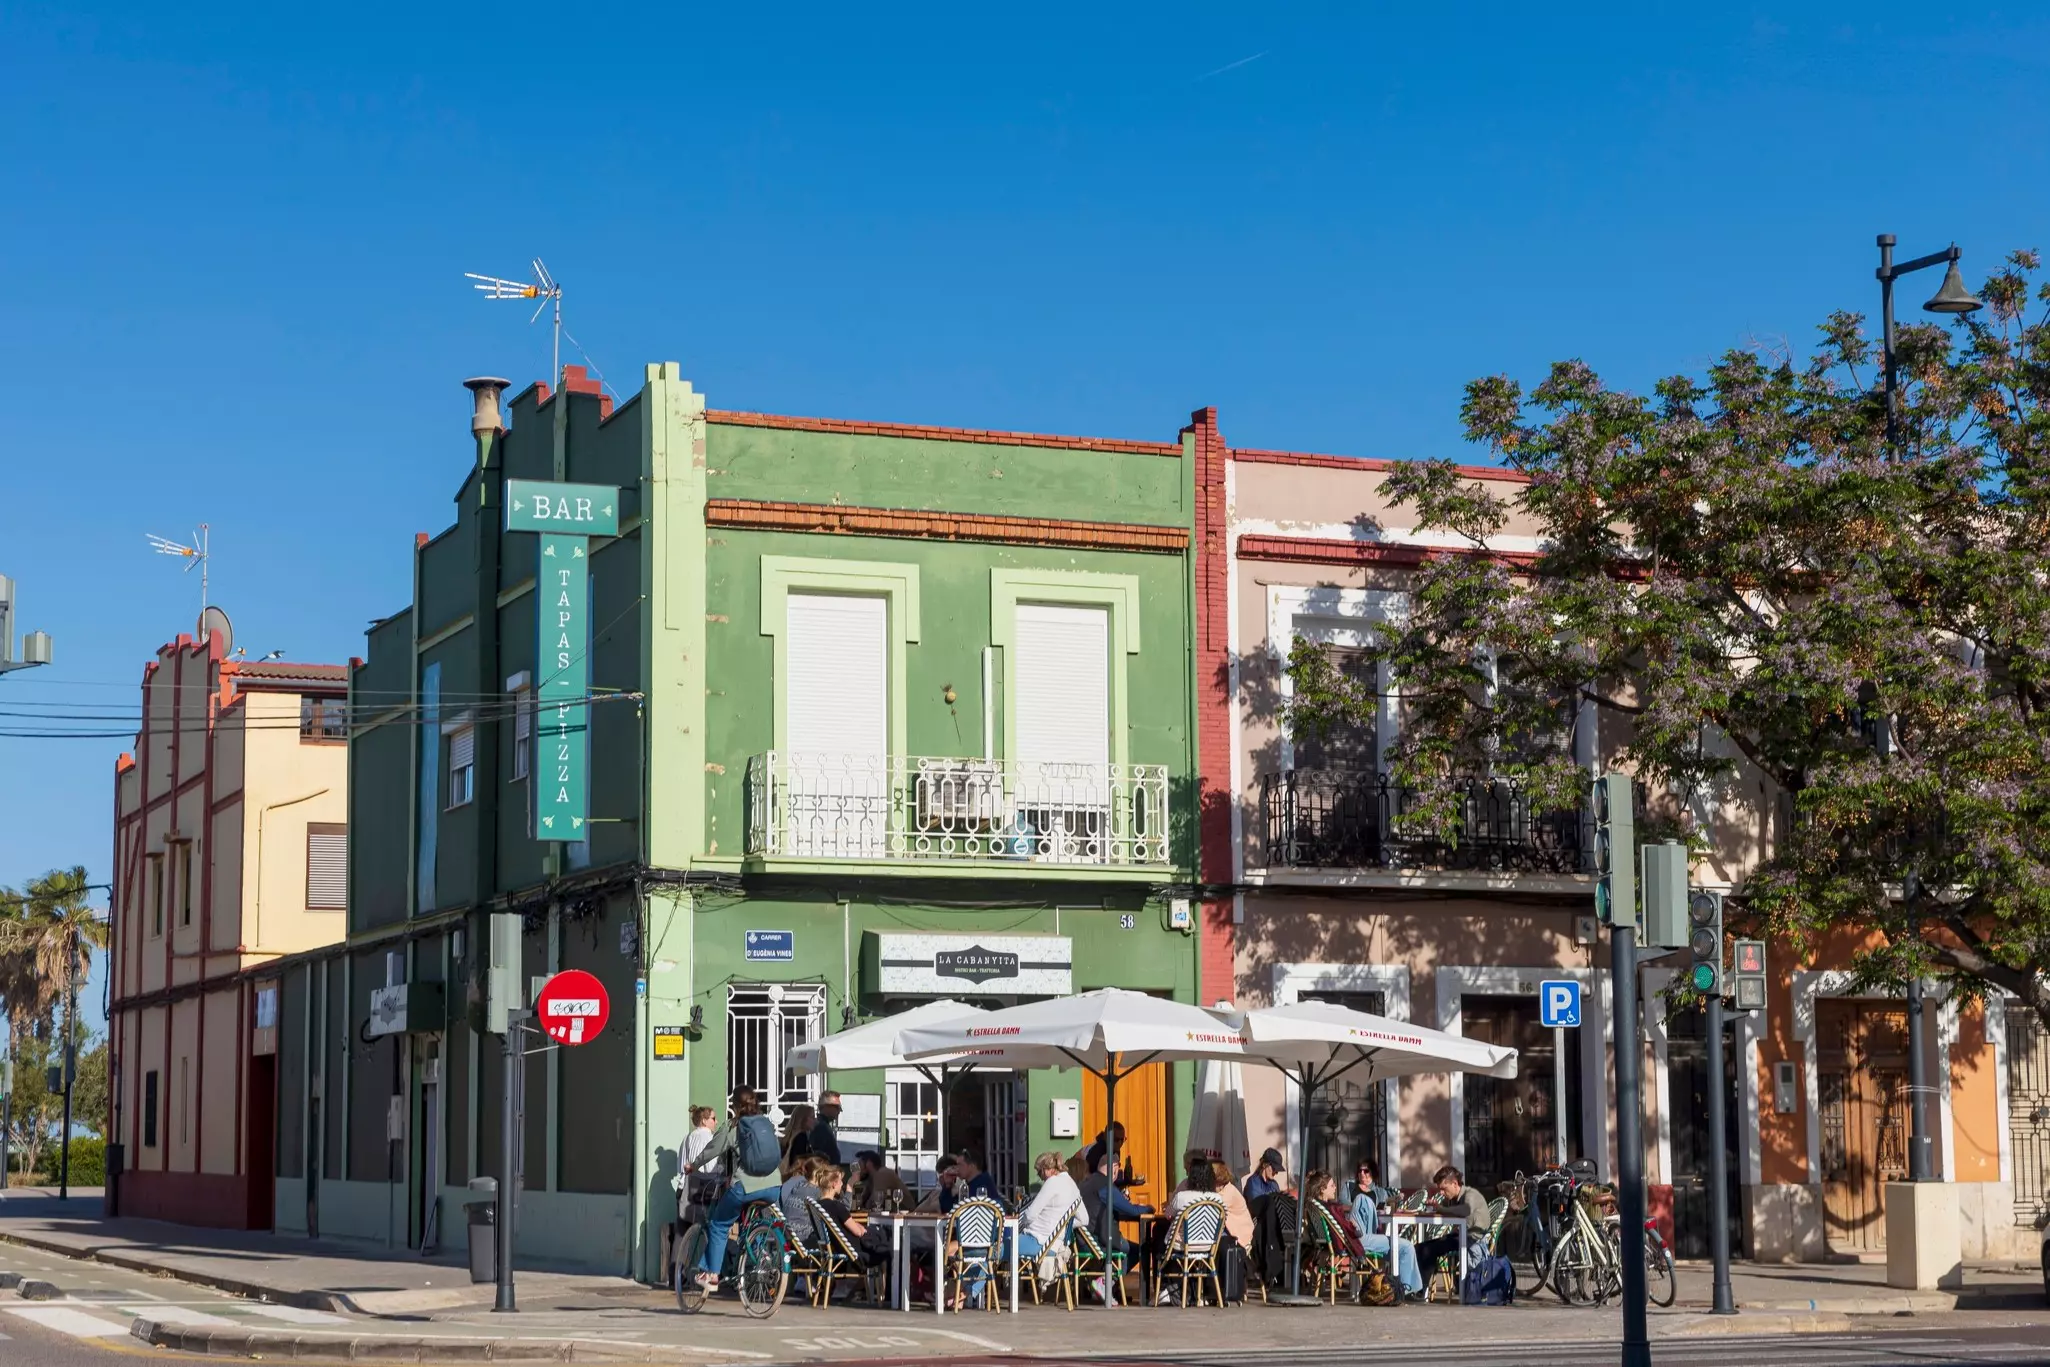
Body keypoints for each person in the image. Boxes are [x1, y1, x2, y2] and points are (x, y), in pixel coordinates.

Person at [684, 1088, 784, 1290]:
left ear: (735, 1106)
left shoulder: (734, 1126)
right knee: (751, 1222)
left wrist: (693, 1165)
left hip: (746, 1187)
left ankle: (712, 1275)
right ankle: (759, 1254)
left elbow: (713, 1148)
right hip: (774, 1186)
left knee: (719, 1225)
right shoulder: (765, 1123)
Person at [1308, 1169, 1420, 1300]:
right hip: (1354, 1241)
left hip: (1348, 1241)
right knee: (1406, 1246)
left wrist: (1349, 1223)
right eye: (1332, 1185)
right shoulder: (1330, 1208)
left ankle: (1405, 1288)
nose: (1335, 1188)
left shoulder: (1317, 1206)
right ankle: (1406, 1291)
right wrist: (1351, 1225)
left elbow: (1338, 1227)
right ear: (1322, 1189)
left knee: (1363, 1201)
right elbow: (1343, 1229)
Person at [1410, 1164, 1491, 1288]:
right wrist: (1433, 1207)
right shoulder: (1452, 1198)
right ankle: (1417, 1288)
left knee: (1429, 1250)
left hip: (1473, 1239)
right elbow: (1444, 1209)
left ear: (1454, 1183)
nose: (1442, 1193)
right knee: (1419, 1248)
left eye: (1444, 1189)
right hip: (1459, 1236)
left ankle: (1421, 1290)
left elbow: (1465, 1210)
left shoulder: (1470, 1195)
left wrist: (1442, 1209)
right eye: (1439, 1190)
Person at [1079, 1151, 1152, 1257]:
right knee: (1138, 1250)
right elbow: (1132, 1211)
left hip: (1082, 1240)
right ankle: (1115, 1272)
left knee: (1130, 1248)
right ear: (1114, 1168)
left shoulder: (1085, 1183)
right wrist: (1149, 1208)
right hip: (1098, 1242)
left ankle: (1113, 1271)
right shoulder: (1106, 1186)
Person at [1015, 1151, 1079, 1263]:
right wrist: (1061, 1226)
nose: (1040, 1177)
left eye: (1039, 1173)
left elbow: (1030, 1215)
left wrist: (1018, 1225)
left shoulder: (1052, 1182)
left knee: (996, 1247)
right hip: (1058, 1244)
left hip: (1039, 1242)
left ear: (1045, 1169)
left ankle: (984, 1280)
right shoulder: (1072, 1185)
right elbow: (1084, 1219)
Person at [1208, 1159, 1255, 1248]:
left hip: (1240, 1236)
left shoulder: (1228, 1193)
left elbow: (1211, 1210)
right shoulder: (1224, 1190)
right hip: (1231, 1231)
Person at [779, 1153, 823, 1245]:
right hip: (802, 1238)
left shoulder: (798, 1186)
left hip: (786, 1233)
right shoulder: (815, 1191)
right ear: (818, 1174)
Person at [809, 1092, 845, 1169]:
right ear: (826, 1107)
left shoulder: (823, 1125)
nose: (839, 1111)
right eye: (837, 1107)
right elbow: (817, 1156)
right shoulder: (820, 1127)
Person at [780, 1104, 816, 1176]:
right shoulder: (801, 1137)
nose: (815, 1120)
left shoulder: (789, 1135)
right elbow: (799, 1161)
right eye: (812, 1117)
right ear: (803, 1119)